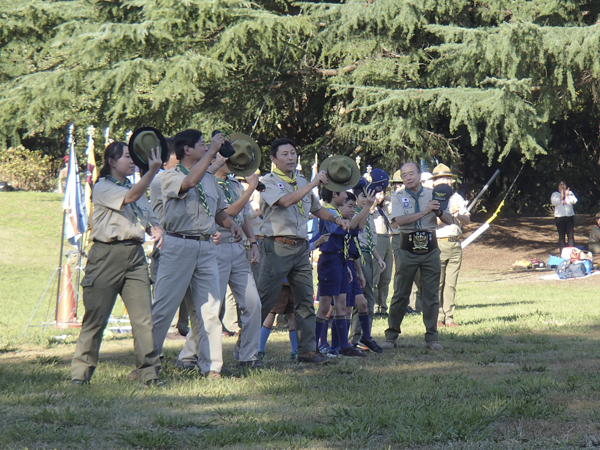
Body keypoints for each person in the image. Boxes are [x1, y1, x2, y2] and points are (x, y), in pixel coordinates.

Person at [150, 129, 243, 378]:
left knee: (211, 309)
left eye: (207, 144)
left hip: (206, 247)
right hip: (177, 245)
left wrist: (231, 224)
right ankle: (146, 364)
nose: (207, 147)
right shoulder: (168, 177)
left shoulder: (210, 179)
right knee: (164, 307)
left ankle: (212, 367)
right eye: (202, 144)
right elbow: (188, 183)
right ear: (186, 149)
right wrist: (213, 150)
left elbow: (218, 211)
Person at [71, 142, 164, 386]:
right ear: (111, 162)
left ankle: (149, 374)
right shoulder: (103, 187)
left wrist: (155, 228)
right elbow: (130, 198)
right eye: (126, 157)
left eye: (133, 157)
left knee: (143, 320)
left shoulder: (134, 187)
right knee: (96, 318)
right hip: (106, 255)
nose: (131, 160)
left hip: (134, 255)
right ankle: (80, 375)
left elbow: (147, 217)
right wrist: (152, 171)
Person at [256, 142, 351, 365]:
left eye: (294, 152)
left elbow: (316, 209)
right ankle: (247, 352)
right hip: (277, 245)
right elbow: (285, 201)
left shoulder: (300, 181)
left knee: (306, 300)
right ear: (273, 159)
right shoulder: (268, 182)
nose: (291, 157)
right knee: (265, 299)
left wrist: (338, 220)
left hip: (300, 247)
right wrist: (313, 183)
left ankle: (307, 351)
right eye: (285, 154)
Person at [381, 162, 452, 351]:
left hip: (430, 248)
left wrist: (438, 211)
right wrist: (425, 212)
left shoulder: (433, 193)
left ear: (420, 175)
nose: (408, 177)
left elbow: (449, 220)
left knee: (430, 294)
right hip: (407, 249)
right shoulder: (398, 196)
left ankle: (432, 338)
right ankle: (391, 336)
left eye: (412, 173)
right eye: (404, 175)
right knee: (400, 293)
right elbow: (399, 222)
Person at [315, 187, 365, 358]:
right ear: (335, 194)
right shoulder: (328, 212)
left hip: (341, 261)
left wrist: (347, 266)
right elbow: (349, 227)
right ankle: (317, 346)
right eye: (343, 192)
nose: (345, 196)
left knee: (342, 304)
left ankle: (343, 346)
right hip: (330, 261)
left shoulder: (336, 211)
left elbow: (355, 229)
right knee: (325, 306)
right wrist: (366, 207)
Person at [431, 164, 470, 328]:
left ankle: (450, 317)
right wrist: (450, 213)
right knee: (438, 282)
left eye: (448, 178)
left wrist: (458, 213)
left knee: (451, 284)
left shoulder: (456, 198)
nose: (445, 181)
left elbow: (467, 220)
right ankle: (438, 317)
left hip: (455, 242)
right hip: (440, 241)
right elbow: (433, 222)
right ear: (434, 182)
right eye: (441, 179)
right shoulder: (432, 199)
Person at [551, 181, 577, 251]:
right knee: (561, 235)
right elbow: (554, 202)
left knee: (570, 235)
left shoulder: (570, 193)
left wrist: (567, 195)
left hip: (569, 216)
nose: (562, 186)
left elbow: (574, 201)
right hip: (559, 217)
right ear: (558, 186)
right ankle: (562, 251)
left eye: (563, 184)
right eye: (560, 185)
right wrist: (561, 196)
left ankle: (572, 251)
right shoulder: (555, 194)